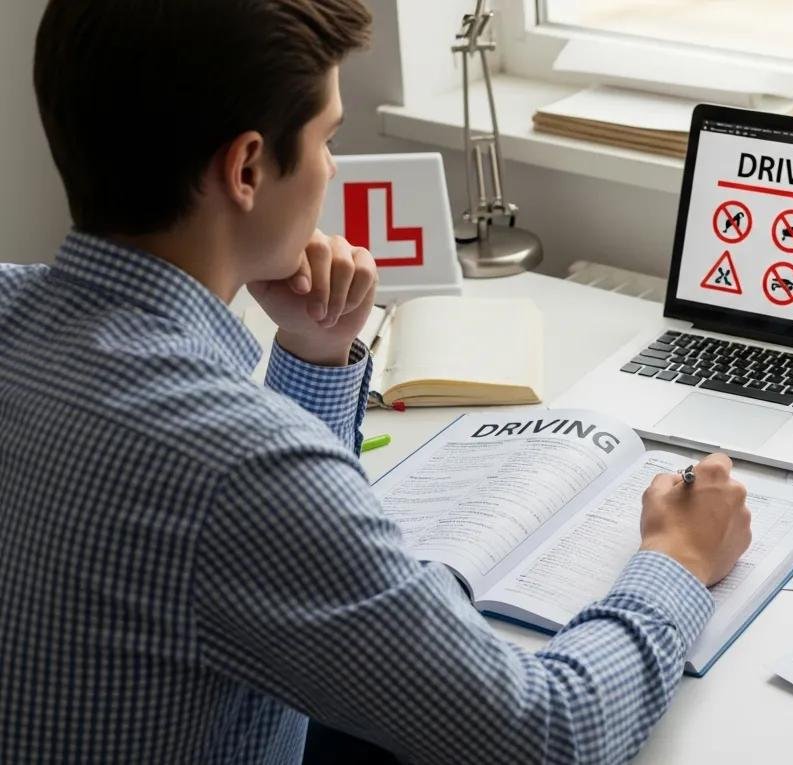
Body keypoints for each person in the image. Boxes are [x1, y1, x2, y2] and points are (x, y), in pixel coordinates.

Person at [0, 1, 752, 762]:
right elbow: (551, 736)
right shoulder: (238, 470)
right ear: (248, 168)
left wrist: (316, 354)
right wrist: (680, 559)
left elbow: (263, 569)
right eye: (328, 137)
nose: (330, 167)